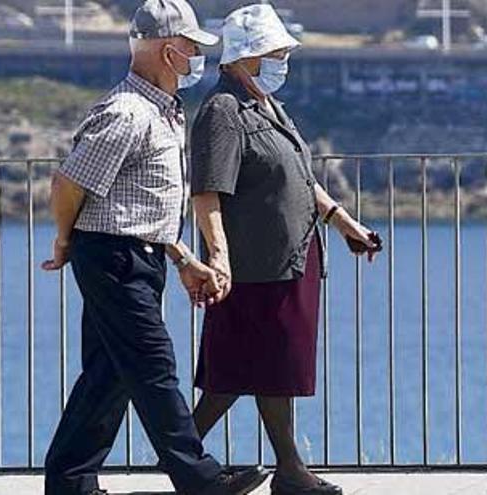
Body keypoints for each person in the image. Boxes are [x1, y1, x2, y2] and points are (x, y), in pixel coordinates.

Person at [41, 1, 269, 494]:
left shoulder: (163, 111)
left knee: (109, 373)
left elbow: (143, 205)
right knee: (154, 364)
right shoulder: (128, 112)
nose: (196, 57)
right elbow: (68, 184)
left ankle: (69, 481)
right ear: (169, 51)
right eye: (191, 47)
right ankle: (200, 480)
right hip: (113, 255)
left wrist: (184, 258)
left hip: (136, 255)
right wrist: (64, 241)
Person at [188, 5, 381, 495]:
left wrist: (343, 223)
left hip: (290, 259)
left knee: (269, 366)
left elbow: (300, 179)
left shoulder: (267, 106)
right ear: (248, 56)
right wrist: (219, 256)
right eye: (277, 54)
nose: (283, 63)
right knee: (235, 370)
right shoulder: (223, 112)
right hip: (253, 264)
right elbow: (208, 192)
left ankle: (285, 470)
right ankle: (187, 461)